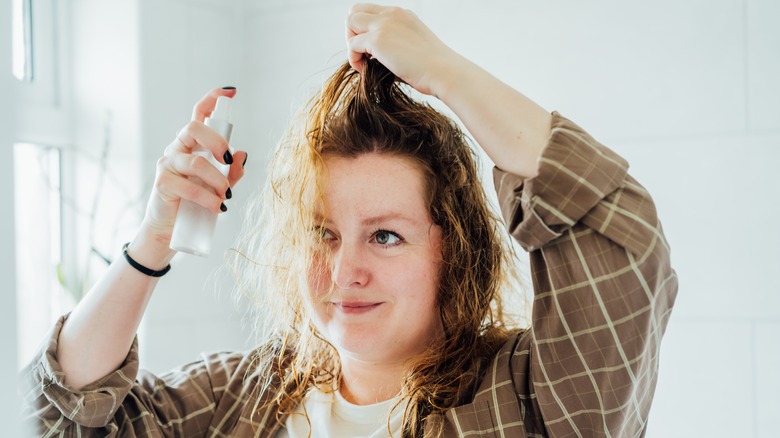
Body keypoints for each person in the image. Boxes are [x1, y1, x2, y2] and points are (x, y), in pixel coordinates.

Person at [20, 3, 677, 437]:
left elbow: (618, 235)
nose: (344, 270)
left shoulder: (531, 399)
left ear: (454, 250)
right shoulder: (245, 398)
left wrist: (445, 73)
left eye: (386, 235)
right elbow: (53, 416)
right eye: (323, 232)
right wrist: (152, 240)